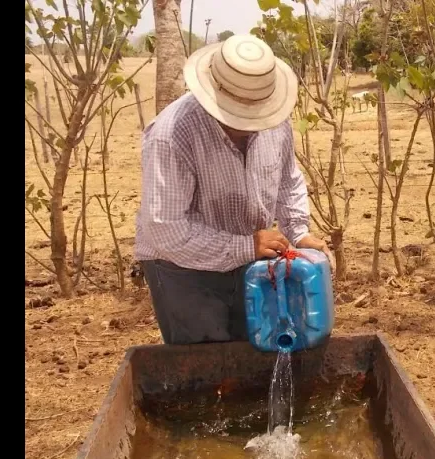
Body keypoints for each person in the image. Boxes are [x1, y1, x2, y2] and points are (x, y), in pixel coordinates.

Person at [133, 34, 333, 346]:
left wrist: (299, 232)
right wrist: (246, 247)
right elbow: (166, 229)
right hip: (182, 269)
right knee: (204, 366)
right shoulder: (171, 135)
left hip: (248, 260)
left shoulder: (275, 121)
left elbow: (287, 180)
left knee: (253, 349)